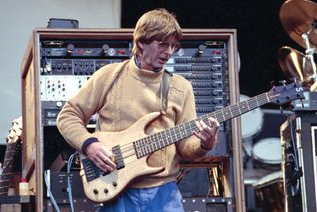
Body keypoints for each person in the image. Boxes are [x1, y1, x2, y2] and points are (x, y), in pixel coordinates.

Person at [57, 8, 219, 212]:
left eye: (173, 46)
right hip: (117, 190)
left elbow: (185, 148)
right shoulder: (109, 76)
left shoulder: (181, 87)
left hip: (164, 193)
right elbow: (67, 116)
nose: (168, 52)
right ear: (141, 41)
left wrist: (205, 144)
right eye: (162, 44)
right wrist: (89, 145)